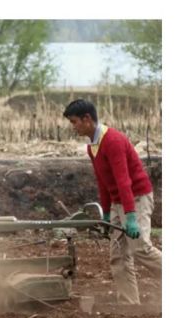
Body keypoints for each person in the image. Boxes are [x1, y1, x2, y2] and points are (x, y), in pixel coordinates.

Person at [63, 98, 162, 306]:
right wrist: (107, 213)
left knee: (140, 249)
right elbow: (104, 182)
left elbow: (123, 180)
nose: (73, 127)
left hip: (136, 198)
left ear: (87, 119)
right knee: (118, 256)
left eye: (74, 122)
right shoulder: (93, 147)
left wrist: (132, 217)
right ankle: (129, 305)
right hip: (119, 202)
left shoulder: (113, 140)